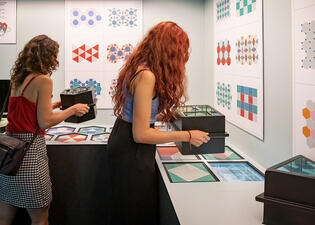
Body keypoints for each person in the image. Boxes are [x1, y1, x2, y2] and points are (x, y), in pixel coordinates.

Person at [107, 21, 210, 225]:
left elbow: (139, 112)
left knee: (131, 206)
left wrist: (161, 116)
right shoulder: (147, 76)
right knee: (135, 210)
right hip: (132, 148)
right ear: (169, 50)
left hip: (124, 138)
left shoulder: (140, 67)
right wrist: (187, 136)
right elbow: (141, 134)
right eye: (180, 51)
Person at [0, 35, 89, 225]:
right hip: (29, 154)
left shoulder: (18, 79)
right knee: (41, 215)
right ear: (48, 56)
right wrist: (72, 110)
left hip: (9, 151)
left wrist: (54, 104)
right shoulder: (43, 80)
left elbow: (27, 109)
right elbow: (44, 122)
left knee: (5, 213)